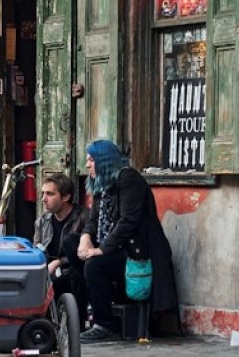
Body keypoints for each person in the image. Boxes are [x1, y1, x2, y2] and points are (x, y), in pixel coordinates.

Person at [77, 139, 179, 343]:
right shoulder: (101, 184)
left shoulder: (129, 178)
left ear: (104, 160)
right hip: (114, 246)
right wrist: (85, 238)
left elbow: (128, 222)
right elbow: (93, 219)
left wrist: (101, 250)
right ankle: (79, 316)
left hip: (134, 251)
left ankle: (105, 324)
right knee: (71, 246)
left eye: (91, 160)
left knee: (94, 265)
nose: (87, 165)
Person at [34, 173, 88, 319]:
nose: (43, 199)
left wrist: (59, 262)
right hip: (49, 271)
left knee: (75, 276)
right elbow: (36, 250)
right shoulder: (42, 221)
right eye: (43, 193)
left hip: (73, 269)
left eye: (50, 194)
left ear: (65, 197)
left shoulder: (83, 217)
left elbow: (84, 255)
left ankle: (79, 322)